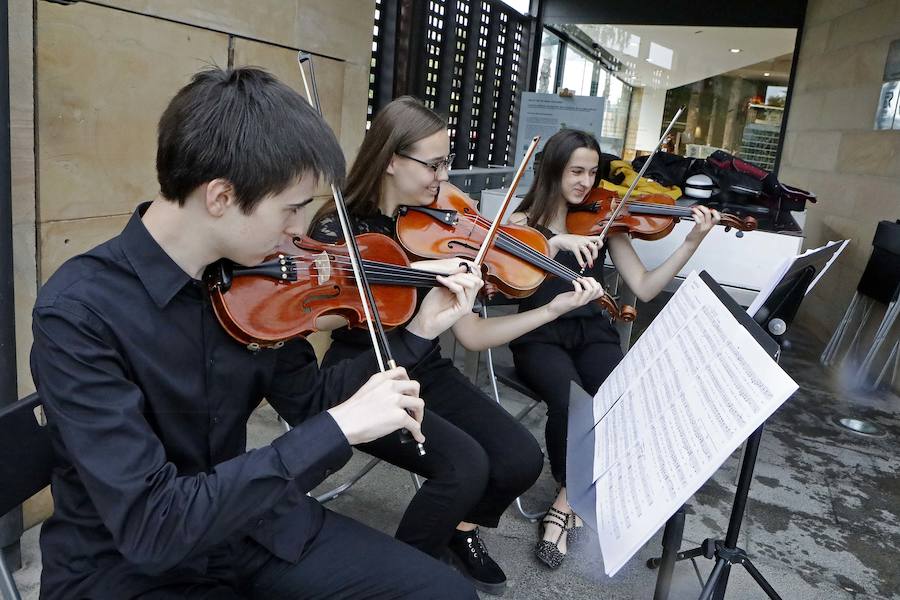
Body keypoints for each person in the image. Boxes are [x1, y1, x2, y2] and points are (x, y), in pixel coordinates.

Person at [29, 67, 484, 599]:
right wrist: (337, 427)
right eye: (291, 209)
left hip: (250, 524)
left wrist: (420, 330)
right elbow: (152, 526)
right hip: (130, 566)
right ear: (221, 196)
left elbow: (311, 402)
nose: (298, 233)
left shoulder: (255, 282)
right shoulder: (79, 312)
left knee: (442, 593)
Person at [307, 96, 605, 595]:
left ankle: (460, 531)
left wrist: (549, 310)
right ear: (389, 161)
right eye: (435, 164)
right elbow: (320, 316)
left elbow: (471, 335)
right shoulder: (338, 227)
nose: (445, 178)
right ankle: (402, 577)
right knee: (464, 467)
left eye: (447, 162)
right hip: (365, 375)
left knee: (520, 459)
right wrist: (411, 272)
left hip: (427, 367)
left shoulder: (431, 222)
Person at [508, 128, 721, 568]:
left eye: (592, 172)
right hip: (540, 333)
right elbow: (503, 264)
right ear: (553, 170)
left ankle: (565, 502)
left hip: (591, 330)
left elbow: (644, 287)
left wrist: (690, 243)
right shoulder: (521, 222)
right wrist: (554, 240)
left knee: (617, 397)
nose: (587, 182)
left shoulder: (605, 218)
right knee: (570, 404)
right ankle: (571, 503)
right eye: (576, 171)